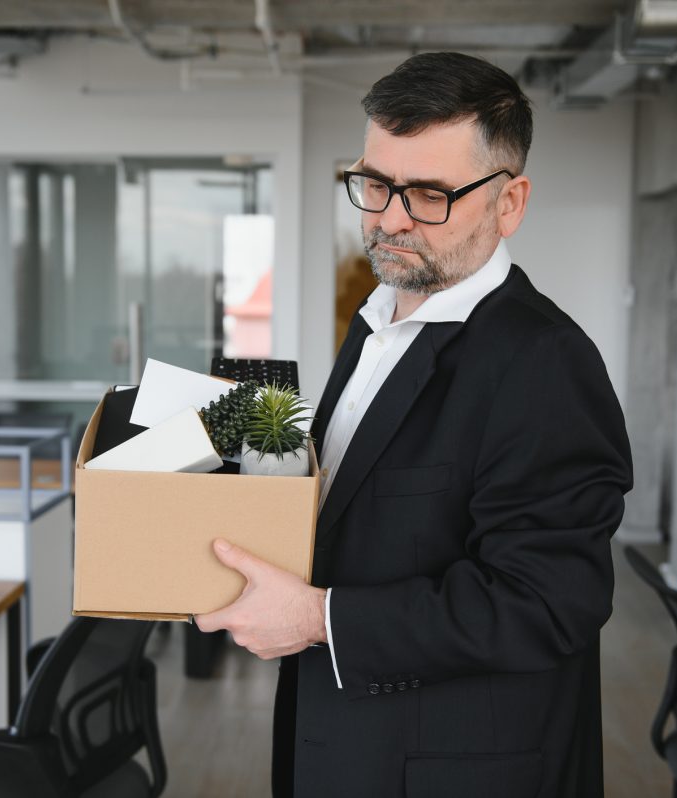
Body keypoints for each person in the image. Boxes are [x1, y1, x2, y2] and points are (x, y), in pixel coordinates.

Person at [196, 51, 633, 798]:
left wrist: (316, 619)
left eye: (430, 193)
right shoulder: (376, 322)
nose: (390, 218)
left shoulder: (545, 360)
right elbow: (355, 511)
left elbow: (548, 600)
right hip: (346, 747)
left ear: (510, 202)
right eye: (374, 184)